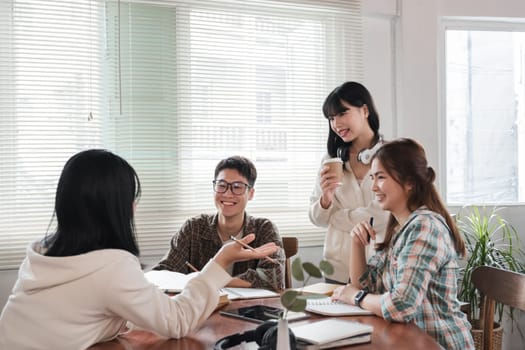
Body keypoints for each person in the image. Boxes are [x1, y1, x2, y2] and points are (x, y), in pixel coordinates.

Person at [0, 149, 279, 350]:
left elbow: (76, 315)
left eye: (237, 187)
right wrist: (221, 261)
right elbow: (177, 320)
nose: (228, 193)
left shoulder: (41, 252)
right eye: (131, 198)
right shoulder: (115, 264)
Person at [331, 138, 475, 349]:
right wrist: (356, 244)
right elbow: (365, 285)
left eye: (380, 177)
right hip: (406, 342)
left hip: (439, 344)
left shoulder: (425, 227)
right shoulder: (401, 228)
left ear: (409, 182)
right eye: (372, 178)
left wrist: (355, 297)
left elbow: (401, 306)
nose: (373, 187)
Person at [152, 155, 285, 291]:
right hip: (201, 309)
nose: (227, 194)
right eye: (221, 185)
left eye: (237, 187)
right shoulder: (194, 228)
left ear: (250, 193)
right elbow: (164, 272)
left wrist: (208, 280)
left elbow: (273, 277)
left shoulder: (264, 228)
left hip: (248, 309)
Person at [309, 81, 389, 284]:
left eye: (342, 114)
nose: (336, 124)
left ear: (364, 110)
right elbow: (317, 219)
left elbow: (383, 216)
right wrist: (325, 200)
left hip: (382, 268)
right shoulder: (331, 159)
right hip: (338, 269)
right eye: (331, 118)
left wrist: (337, 217)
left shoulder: (391, 156)